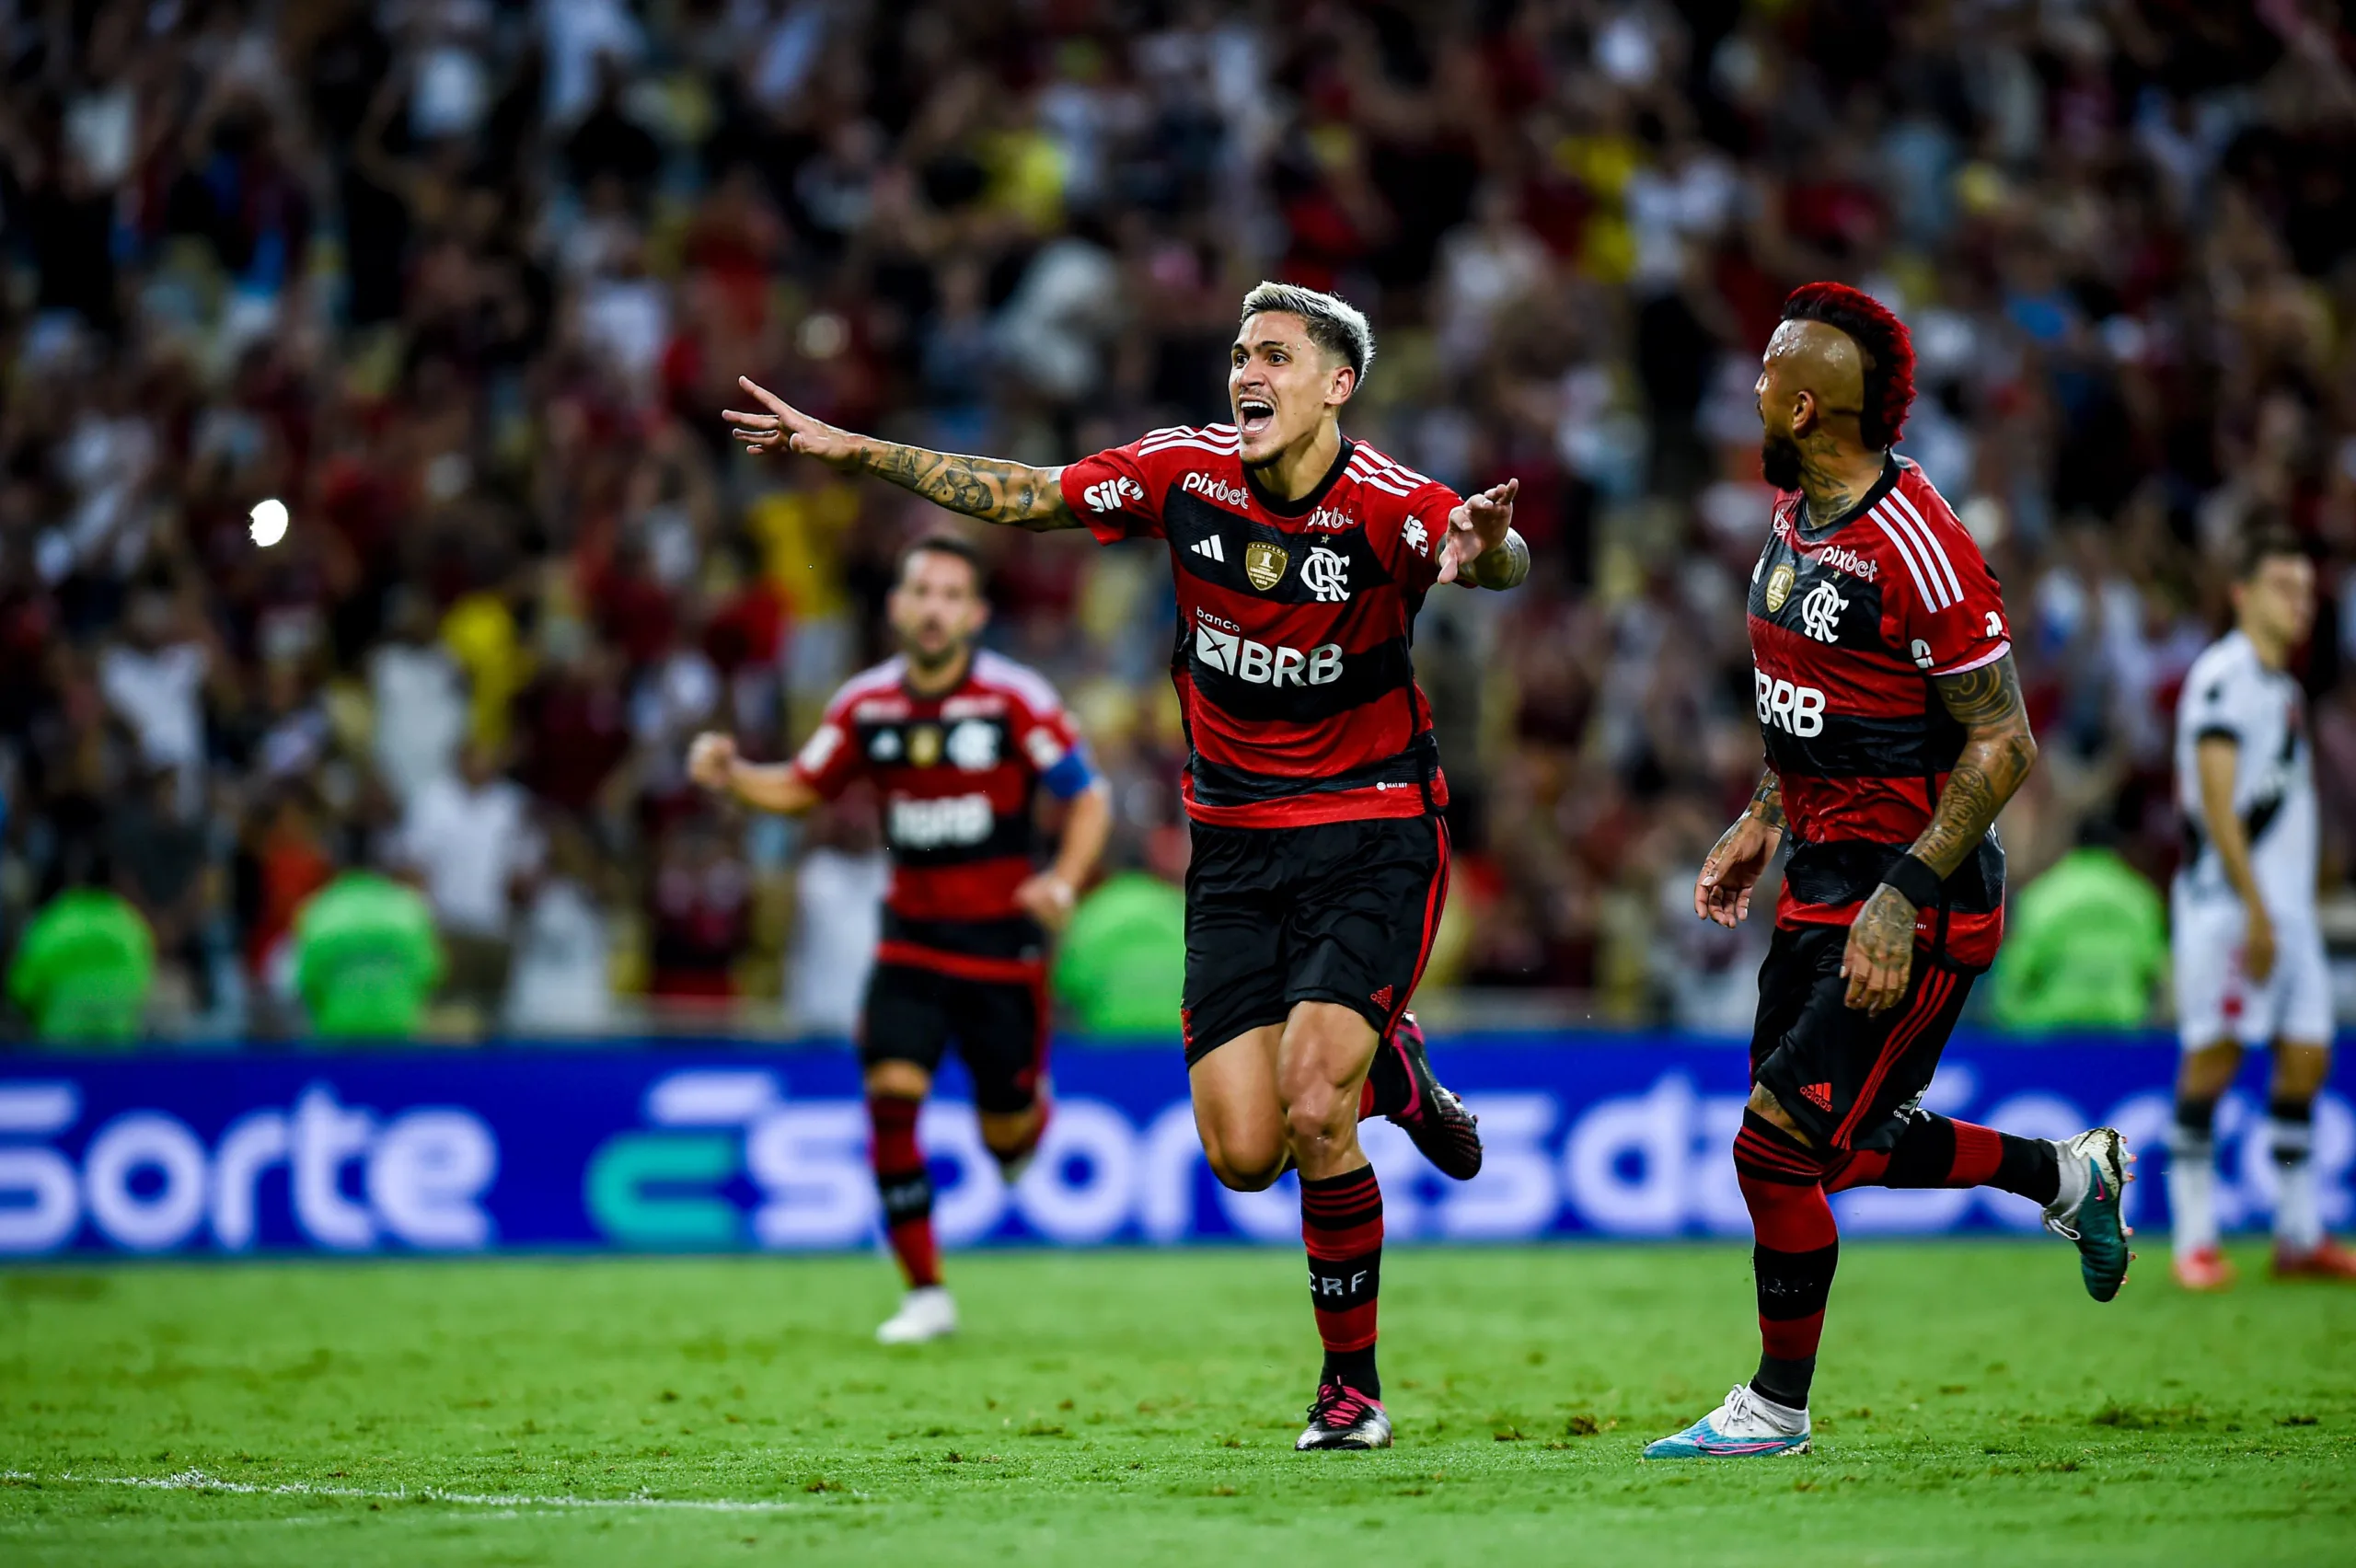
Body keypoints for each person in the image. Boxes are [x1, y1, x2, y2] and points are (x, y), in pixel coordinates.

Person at [720, 282, 1522, 1449]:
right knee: (1246, 1155)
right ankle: (1395, 1076)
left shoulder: (1388, 506)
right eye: (1241, 353)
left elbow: (1482, 557)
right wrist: (853, 450)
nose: (1247, 372)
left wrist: (1488, 551)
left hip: (1373, 833)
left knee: (1310, 1104)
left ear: (1337, 386)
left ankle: (1349, 1390)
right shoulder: (1181, 473)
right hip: (1235, 847)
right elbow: (1029, 495)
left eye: (1278, 357)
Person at [1646, 283, 2133, 1460]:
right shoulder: (1793, 515)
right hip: (1821, 877)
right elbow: (1809, 705)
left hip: (1917, 900)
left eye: (1764, 372)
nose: (1747, 388)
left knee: (1771, 1149)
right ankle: (2064, 1176)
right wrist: (1763, 814)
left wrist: (1901, 899)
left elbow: (2002, 741)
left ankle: (1772, 1410)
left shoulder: (1916, 542)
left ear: (1807, 406)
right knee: (1837, 1151)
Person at [690, 535, 1113, 1344]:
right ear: (897, 605)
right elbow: (803, 785)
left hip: (1002, 951)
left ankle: (1029, 1113)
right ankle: (926, 1293)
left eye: (953, 595)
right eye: (922, 591)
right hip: (911, 946)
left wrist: (1061, 880)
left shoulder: (1014, 701)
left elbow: (1086, 797)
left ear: (977, 614)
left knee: (1008, 1142)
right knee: (891, 1100)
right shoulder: (865, 706)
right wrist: (736, 776)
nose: (934, 608)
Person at [2165, 531, 2354, 1288]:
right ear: (2242, 594)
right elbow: (2217, 801)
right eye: (2283, 586)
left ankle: (2299, 1235)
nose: (2299, 602)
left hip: (2287, 912)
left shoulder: (2283, 690)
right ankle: (2195, 1240)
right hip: (2231, 906)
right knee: (2215, 1058)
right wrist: (2256, 907)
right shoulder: (2225, 677)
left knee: (2306, 1057)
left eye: (2306, 589)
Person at [1988, 818, 2168, 1031]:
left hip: (2052, 1026)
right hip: (2121, 1026)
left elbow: (2016, 970)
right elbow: (2158, 971)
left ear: (2073, 846)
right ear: (2117, 848)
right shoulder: (2141, 898)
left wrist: (2014, 1024)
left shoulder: (2043, 894)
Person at [292, 868, 444, 1041]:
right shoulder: (408, 908)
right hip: (398, 1027)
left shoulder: (319, 908)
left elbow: (307, 979)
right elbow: (430, 972)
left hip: (336, 1031)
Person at [6, 874, 153, 1045]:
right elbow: (145, 983)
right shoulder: (130, 924)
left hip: (57, 1052)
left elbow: (20, 989)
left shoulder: (53, 923)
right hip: (118, 1052)